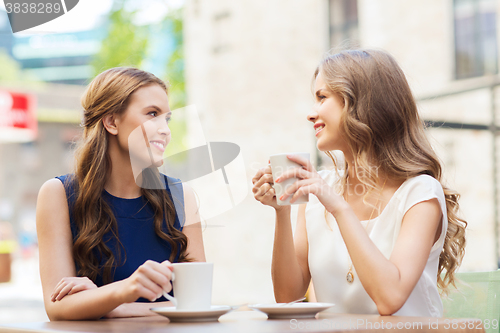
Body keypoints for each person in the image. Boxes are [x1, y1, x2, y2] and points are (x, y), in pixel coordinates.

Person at [252, 49, 467, 317]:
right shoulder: (321, 191)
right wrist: (282, 211)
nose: (311, 113)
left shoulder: (420, 193)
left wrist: (339, 207)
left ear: (361, 105)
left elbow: (389, 299)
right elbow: (288, 297)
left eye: (322, 98)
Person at [36, 67, 205, 321]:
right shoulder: (58, 194)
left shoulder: (182, 196)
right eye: (152, 114)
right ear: (112, 122)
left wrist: (112, 305)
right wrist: (125, 289)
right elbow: (57, 307)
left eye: (166, 119)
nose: (166, 130)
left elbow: (198, 301)